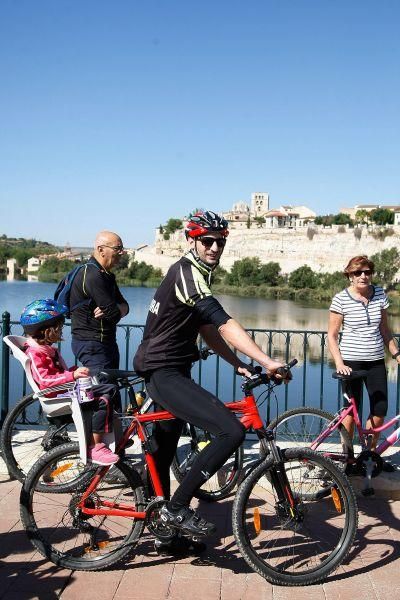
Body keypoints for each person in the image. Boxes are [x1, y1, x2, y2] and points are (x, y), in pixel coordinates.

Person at [134, 209, 286, 555]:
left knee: (164, 447)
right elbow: (223, 322)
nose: (215, 247)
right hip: (162, 370)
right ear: (192, 240)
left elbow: (206, 328)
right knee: (230, 431)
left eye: (220, 241)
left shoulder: (196, 273)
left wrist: (237, 363)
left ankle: (161, 529)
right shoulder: (187, 274)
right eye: (208, 241)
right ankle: (176, 509)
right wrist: (266, 360)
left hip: (171, 368)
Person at [20, 298, 119, 465]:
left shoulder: (48, 349)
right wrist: (71, 376)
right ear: (46, 330)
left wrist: (72, 372)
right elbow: (44, 380)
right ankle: (94, 447)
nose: (62, 330)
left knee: (110, 388)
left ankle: (114, 437)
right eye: (59, 327)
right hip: (59, 396)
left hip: (66, 390)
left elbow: (58, 374)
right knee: (103, 399)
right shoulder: (35, 353)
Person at [328, 254, 400, 472]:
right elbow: (331, 335)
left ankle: (369, 455)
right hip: (350, 364)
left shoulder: (379, 294)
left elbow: (385, 330)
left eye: (367, 272)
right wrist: (339, 363)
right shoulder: (341, 299)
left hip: (376, 361)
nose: (363, 276)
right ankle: (348, 458)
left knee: (379, 411)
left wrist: (397, 354)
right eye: (357, 272)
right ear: (349, 275)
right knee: (350, 413)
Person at [70, 230, 129, 385]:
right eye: (117, 248)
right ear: (101, 250)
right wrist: (116, 309)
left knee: (111, 392)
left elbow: (124, 306)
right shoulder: (92, 275)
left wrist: (117, 307)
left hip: (106, 343)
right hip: (93, 345)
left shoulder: (106, 275)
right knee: (105, 395)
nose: (121, 253)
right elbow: (115, 315)